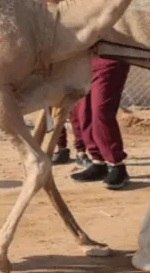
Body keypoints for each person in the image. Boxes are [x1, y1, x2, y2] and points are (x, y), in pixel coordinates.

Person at [52, 55, 131, 190]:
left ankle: (117, 164)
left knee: (101, 110)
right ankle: (98, 161)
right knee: (84, 112)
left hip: (109, 56)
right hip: (85, 60)